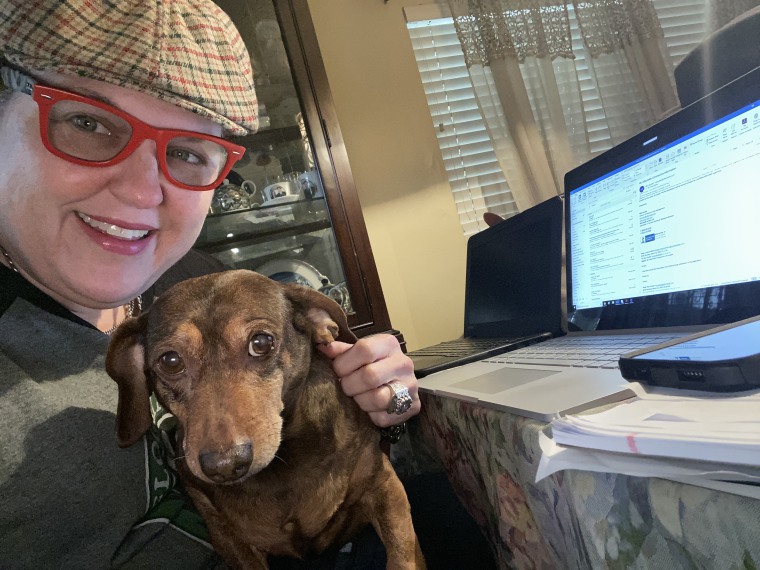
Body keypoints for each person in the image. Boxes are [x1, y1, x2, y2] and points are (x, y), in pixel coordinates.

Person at [0, 1, 420, 567]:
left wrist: (385, 397)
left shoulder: (194, 281)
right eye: (88, 122)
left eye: (187, 152)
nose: (143, 191)